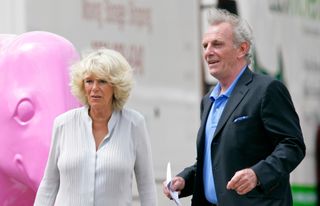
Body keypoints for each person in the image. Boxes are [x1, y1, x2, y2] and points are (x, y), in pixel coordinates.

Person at [163, 8, 305, 206]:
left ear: (242, 49)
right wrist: (185, 180)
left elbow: (293, 145)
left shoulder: (267, 89)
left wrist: (257, 174)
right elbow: (215, 161)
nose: (208, 52)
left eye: (217, 44)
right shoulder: (208, 101)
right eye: (205, 46)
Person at [34, 48, 157, 206]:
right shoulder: (63, 124)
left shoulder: (134, 124)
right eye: (89, 81)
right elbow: (49, 183)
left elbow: (146, 186)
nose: (94, 88)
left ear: (116, 86)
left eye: (102, 81)